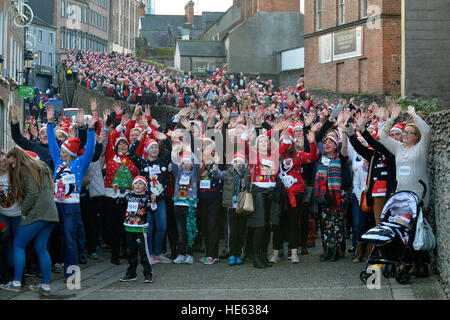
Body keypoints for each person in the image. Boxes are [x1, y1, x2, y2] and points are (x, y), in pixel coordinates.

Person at [0, 147, 58, 296]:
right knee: (41, 247)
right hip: (51, 213)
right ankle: (45, 287)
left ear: (18, 158)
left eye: (13, 163)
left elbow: (32, 193)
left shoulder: (26, 168)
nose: (12, 166)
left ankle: (16, 283)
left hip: (38, 213)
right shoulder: (41, 166)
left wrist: (24, 212)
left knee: (18, 244)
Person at [46, 106, 96, 278]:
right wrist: (49, 122)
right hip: (55, 204)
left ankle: (72, 272)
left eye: (63, 150)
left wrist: (90, 130)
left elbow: (90, 150)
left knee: (69, 238)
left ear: (69, 152)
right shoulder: (58, 159)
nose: (60, 151)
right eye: (60, 150)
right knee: (51, 236)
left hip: (70, 207)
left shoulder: (79, 164)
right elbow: (52, 142)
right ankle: (49, 266)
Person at [270, 122, 320, 264]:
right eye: (284, 141)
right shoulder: (275, 156)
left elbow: (313, 157)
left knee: (293, 223)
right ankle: (276, 253)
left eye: (289, 141)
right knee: (277, 224)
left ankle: (293, 253)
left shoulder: (298, 155)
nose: (287, 145)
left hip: (295, 194)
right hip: (279, 194)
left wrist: (312, 143)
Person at [379, 105, 431, 209]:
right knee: (401, 223)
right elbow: (383, 136)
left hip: (419, 196)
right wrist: (391, 119)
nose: (404, 134)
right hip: (401, 195)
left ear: (416, 136)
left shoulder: (421, 147)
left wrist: (414, 115)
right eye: (404, 132)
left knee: (415, 224)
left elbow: (426, 131)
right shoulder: (398, 147)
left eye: (408, 132)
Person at [313, 122, 351, 262]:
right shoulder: (320, 158)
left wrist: (345, 132)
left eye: (331, 142)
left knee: (336, 225)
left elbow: (345, 147)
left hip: (336, 197)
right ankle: (327, 250)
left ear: (336, 145)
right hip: (324, 196)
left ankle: (336, 250)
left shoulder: (339, 157)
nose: (327, 144)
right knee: (325, 225)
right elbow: (315, 140)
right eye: (325, 142)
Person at [117, 176, 156, 283]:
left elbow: (152, 211)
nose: (138, 185)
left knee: (144, 252)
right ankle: (131, 274)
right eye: (136, 183)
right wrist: (116, 192)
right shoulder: (128, 196)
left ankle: (148, 274)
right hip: (129, 228)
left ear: (145, 187)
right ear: (132, 185)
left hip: (140, 229)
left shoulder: (146, 198)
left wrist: (153, 202)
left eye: (140, 183)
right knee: (131, 252)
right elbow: (120, 204)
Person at [170, 142, 200, 265]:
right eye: (184, 163)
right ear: (181, 165)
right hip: (178, 205)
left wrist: (191, 153)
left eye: (188, 163)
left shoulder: (194, 174)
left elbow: (197, 165)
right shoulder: (178, 174)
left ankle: (190, 254)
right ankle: (181, 254)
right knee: (180, 231)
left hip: (190, 206)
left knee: (190, 230)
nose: (186, 165)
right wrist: (174, 151)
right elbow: (173, 164)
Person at [0, 151, 22, 284]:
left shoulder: (13, 173)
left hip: (18, 213)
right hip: (3, 215)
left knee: (18, 242)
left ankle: (19, 272)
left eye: (4, 161)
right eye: (0, 162)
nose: (3, 164)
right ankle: (8, 270)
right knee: (6, 241)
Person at [222, 153, 247, 266]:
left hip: (242, 205)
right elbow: (217, 175)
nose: (239, 164)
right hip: (231, 205)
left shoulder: (246, 175)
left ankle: (238, 253)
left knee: (241, 230)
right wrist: (215, 165)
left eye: (241, 162)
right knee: (232, 230)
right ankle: (232, 254)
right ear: (233, 163)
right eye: (236, 162)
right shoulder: (228, 173)